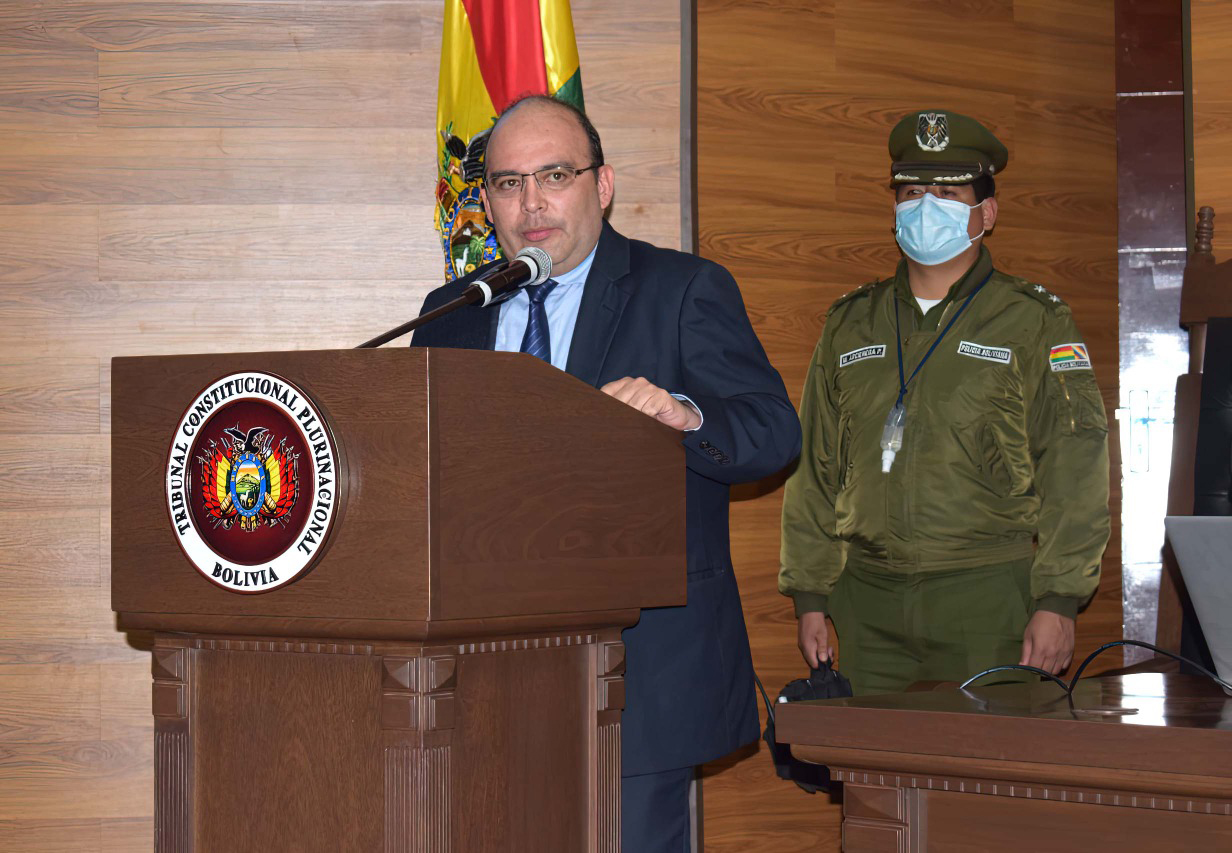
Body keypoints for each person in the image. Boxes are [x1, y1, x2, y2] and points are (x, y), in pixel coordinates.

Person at [411, 95, 800, 851]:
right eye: (508, 182)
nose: (532, 203)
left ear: (604, 184)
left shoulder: (682, 289)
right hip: (487, 673)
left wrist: (685, 413)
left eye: (554, 174)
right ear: (486, 201)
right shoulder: (451, 312)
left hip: (640, 668)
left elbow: (773, 431)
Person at [779, 109, 1110, 697]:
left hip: (985, 596)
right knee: (872, 781)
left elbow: (1075, 466)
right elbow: (814, 468)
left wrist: (1059, 599)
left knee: (986, 779)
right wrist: (811, 595)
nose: (926, 205)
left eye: (949, 191)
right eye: (911, 191)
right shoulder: (851, 321)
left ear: (986, 212)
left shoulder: (1034, 319)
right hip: (867, 601)